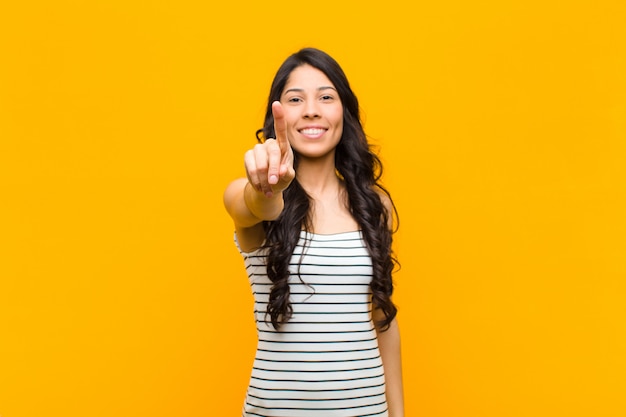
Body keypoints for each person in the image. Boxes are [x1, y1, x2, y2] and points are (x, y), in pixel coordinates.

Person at [224, 47, 404, 417]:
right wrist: (267, 188)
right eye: (295, 99)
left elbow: (382, 321)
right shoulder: (248, 194)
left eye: (326, 97)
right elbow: (257, 205)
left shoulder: (373, 206)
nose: (311, 109)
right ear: (280, 116)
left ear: (344, 113)